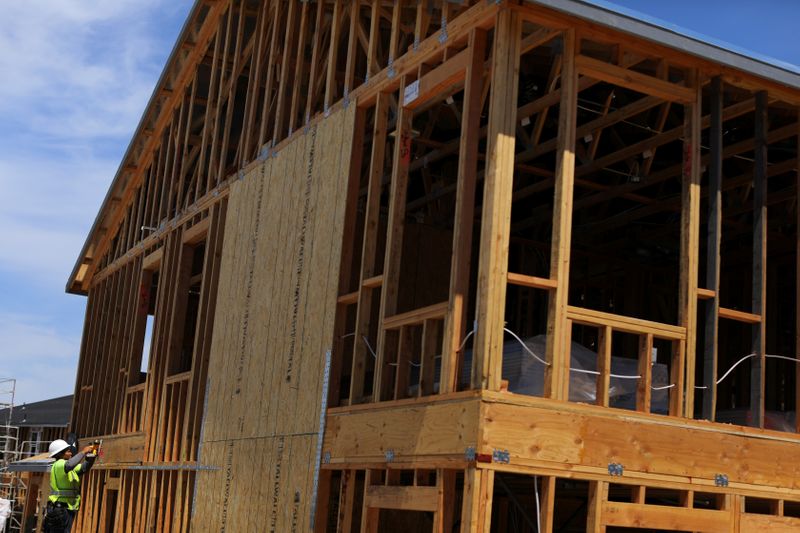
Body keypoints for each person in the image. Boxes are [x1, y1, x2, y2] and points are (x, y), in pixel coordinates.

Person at [43, 439, 96, 533]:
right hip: (60, 509)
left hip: (66, 509)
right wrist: (83, 452)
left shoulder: (69, 469)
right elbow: (70, 464)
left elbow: (84, 468)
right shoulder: (59, 464)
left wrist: (91, 456)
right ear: (60, 454)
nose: (71, 453)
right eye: (68, 451)